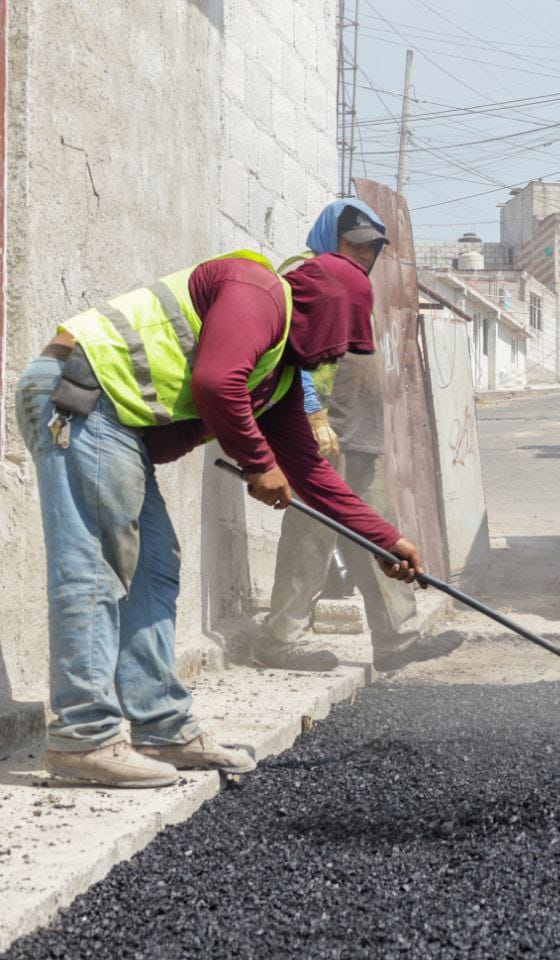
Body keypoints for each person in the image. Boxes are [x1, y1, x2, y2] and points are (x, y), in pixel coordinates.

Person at [15, 247, 424, 788]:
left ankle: (161, 726)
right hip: (80, 396)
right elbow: (214, 381)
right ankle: (82, 737)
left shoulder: (274, 375)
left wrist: (384, 540)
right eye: (340, 339)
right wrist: (259, 464)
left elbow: (312, 473)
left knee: (155, 565)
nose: (334, 356)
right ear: (323, 310)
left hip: (114, 422)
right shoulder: (258, 292)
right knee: (95, 567)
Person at [256, 200, 461, 672]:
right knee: (311, 536)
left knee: (378, 537)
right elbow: (291, 348)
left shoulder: (349, 288)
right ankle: (280, 640)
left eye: (371, 249)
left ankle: (397, 640)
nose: (363, 257)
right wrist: (310, 414)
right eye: (355, 245)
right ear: (331, 237)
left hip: (360, 435)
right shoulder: (309, 279)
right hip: (321, 438)